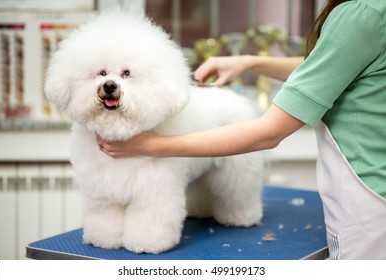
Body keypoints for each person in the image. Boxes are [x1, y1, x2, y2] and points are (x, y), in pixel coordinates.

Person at [97, 0, 386, 259]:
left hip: (371, 203)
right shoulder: (374, 11)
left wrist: (151, 146)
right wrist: (251, 62)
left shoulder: (361, 13)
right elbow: (332, 63)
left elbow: (270, 131)